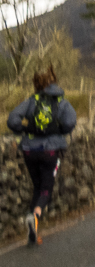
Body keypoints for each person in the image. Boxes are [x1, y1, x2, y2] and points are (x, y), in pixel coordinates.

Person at [7, 65, 77, 246]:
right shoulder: (62, 102)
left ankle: (33, 228)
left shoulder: (32, 100)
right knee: (46, 188)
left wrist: (24, 128)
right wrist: (58, 130)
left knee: (37, 186)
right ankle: (36, 214)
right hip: (51, 150)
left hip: (29, 149)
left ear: (37, 84)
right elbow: (70, 122)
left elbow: (12, 118)